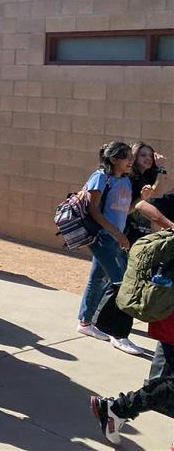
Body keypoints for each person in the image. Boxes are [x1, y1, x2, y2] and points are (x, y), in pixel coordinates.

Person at [77, 141, 146, 355]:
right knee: (122, 282)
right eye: (127, 158)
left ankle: (85, 322)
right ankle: (117, 334)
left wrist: (143, 199)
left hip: (115, 238)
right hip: (102, 237)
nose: (130, 162)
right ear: (114, 159)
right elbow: (93, 211)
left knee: (98, 279)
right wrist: (118, 234)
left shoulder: (124, 181)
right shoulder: (100, 177)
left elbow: (125, 210)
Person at [90, 308, 174, 445]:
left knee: (164, 383)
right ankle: (118, 409)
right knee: (167, 386)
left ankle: (118, 409)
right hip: (168, 318)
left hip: (167, 318)